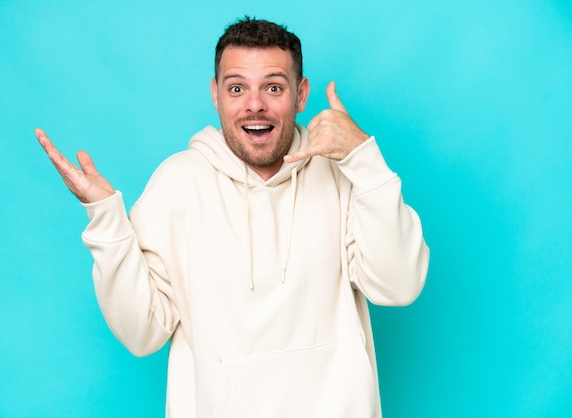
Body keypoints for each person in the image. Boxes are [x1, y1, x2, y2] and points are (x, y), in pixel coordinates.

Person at [36, 17, 429, 418]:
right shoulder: (178, 183)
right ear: (216, 94)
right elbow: (142, 333)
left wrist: (364, 159)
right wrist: (106, 221)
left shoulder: (343, 174)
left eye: (273, 87)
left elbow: (399, 287)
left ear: (301, 94)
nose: (254, 104)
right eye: (237, 88)